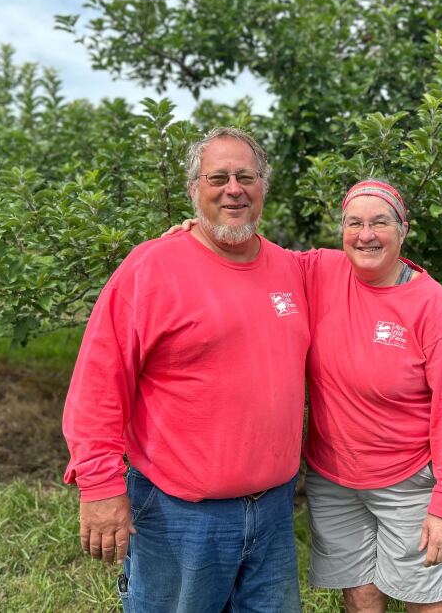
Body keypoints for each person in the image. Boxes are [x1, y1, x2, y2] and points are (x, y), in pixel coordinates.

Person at [166, 179, 442, 611]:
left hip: (406, 478)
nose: (366, 234)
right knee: (358, 591)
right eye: (355, 223)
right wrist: (204, 232)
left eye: (380, 222)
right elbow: (254, 254)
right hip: (334, 477)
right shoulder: (321, 271)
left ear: (404, 229)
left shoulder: (431, 306)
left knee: (427, 595)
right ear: (342, 230)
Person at [62, 127, 310, 613]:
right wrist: (100, 485)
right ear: (194, 189)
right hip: (180, 515)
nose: (233, 188)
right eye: (218, 177)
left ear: (264, 186)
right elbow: (98, 384)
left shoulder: (293, 268)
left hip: (274, 511)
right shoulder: (151, 268)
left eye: (246, 176)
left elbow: (371, 264)